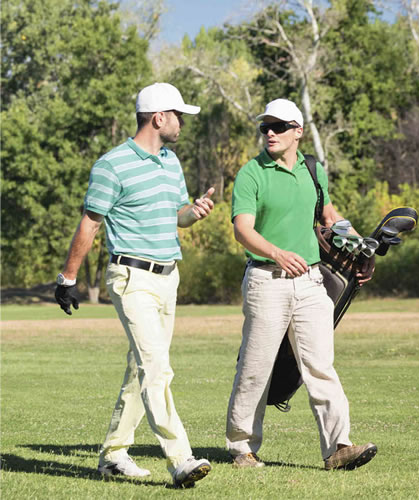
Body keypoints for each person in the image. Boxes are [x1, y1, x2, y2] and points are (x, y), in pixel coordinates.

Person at [54, 82, 215, 488]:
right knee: (156, 367)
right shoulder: (111, 166)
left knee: (139, 369)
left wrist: (193, 212)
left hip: (168, 278)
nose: (182, 123)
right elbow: (90, 223)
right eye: (178, 115)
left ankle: (112, 454)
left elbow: (177, 214)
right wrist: (68, 278)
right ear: (158, 117)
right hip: (132, 278)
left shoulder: (170, 162)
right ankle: (180, 458)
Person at [226, 98, 377, 470]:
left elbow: (329, 216)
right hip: (265, 279)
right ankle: (242, 447)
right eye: (265, 127)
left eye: (278, 127)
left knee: (320, 366)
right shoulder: (251, 173)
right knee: (256, 366)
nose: (270, 133)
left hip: (311, 280)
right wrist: (276, 253)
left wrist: (360, 247)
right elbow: (242, 229)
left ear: (298, 131)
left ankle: (338, 448)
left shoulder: (313, 169)